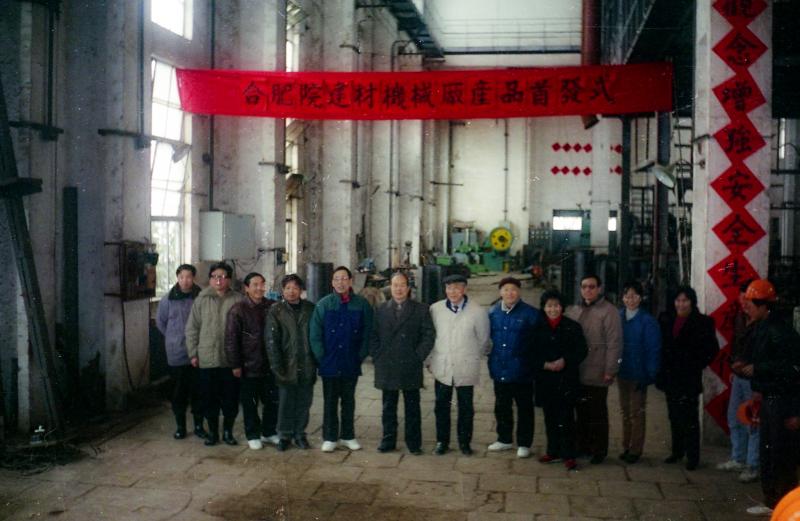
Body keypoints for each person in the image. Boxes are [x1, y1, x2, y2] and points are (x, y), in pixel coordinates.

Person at [737, 280, 800, 516]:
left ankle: (785, 507)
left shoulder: (780, 331)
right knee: (770, 453)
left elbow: (792, 369)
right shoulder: (763, 326)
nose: (746, 306)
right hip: (770, 399)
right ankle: (773, 502)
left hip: (782, 402)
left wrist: (758, 369)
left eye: (751, 303)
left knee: (781, 457)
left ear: (764, 306)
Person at [369, 271, 435, 455]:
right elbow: (372, 335)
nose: (398, 289)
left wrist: (418, 356)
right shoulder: (381, 309)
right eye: (395, 285)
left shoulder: (421, 309)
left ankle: (414, 443)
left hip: (410, 364)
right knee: (388, 406)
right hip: (387, 364)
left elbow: (428, 336)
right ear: (390, 287)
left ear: (408, 288)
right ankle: (388, 440)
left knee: (412, 406)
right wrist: (377, 356)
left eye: (402, 285)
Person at [310, 266, 373, 453]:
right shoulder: (323, 305)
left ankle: (348, 436)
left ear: (351, 281)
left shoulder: (362, 304)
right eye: (337, 279)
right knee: (330, 401)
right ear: (332, 282)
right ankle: (330, 438)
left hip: (350, 361)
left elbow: (368, 333)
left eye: (344, 278)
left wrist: (360, 355)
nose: (340, 282)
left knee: (348, 400)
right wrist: (322, 357)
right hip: (329, 362)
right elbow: (315, 334)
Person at [656, 285, 719, 470]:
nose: (681, 304)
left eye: (685, 300)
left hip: (689, 377)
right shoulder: (666, 319)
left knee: (690, 418)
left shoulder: (703, 322)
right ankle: (677, 451)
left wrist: (696, 364)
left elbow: (712, 349)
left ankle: (692, 457)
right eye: (678, 300)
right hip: (670, 377)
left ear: (692, 302)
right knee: (674, 416)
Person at [427, 274, 490, 456]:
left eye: (457, 287)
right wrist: (430, 360)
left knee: (466, 407)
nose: (452, 292)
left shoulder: (477, 311)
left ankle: (465, 443)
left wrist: (470, 356)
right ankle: (442, 442)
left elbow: (484, 340)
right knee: (441, 406)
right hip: (443, 365)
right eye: (449, 288)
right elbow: (431, 336)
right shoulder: (435, 309)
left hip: (466, 366)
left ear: (465, 289)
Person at [565, 274, 622, 464]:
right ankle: (583, 446)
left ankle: (599, 450)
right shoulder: (575, 310)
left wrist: (611, 369)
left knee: (597, 413)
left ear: (599, 288)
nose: (588, 290)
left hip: (598, 371)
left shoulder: (609, 311)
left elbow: (615, 343)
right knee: (582, 412)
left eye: (591, 286)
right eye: (584, 287)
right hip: (579, 371)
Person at [185, 262, 244, 446]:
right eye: (215, 277)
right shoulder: (201, 299)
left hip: (230, 360)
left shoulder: (238, 300)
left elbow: (244, 330)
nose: (219, 280)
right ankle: (213, 433)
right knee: (209, 399)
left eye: (223, 277)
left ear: (229, 280)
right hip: (207, 358)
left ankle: (227, 432)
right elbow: (192, 328)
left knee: (230, 399)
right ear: (210, 279)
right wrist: (193, 353)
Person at [533, 289, 587, 471]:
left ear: (562, 307)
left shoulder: (573, 326)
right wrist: (544, 364)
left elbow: (582, 350)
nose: (553, 309)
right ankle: (553, 451)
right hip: (545, 379)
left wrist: (565, 360)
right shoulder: (536, 327)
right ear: (543, 308)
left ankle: (569, 455)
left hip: (566, 379)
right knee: (549, 417)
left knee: (567, 417)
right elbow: (529, 352)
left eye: (556, 306)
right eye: (549, 306)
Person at [487, 276, 540, 458]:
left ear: (519, 292)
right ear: (500, 292)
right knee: (502, 406)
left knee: (524, 407)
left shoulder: (531, 314)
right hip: (499, 368)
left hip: (522, 370)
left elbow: (537, 342)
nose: (510, 293)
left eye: (514, 289)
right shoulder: (493, 312)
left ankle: (524, 443)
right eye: (506, 289)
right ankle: (504, 439)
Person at [224, 272, 277, 450]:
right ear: (246, 288)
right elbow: (231, 340)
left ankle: (269, 432)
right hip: (248, 365)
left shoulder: (272, 306)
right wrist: (235, 364)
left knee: (271, 400)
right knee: (250, 403)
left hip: (270, 364)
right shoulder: (238, 310)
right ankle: (253, 434)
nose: (259, 288)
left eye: (262, 284)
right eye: (255, 285)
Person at [266, 274, 317, 451]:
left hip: (307, 363)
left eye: (295, 288)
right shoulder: (276, 310)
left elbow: (316, 336)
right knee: (285, 403)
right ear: (282, 290)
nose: (291, 291)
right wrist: (276, 366)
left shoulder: (310, 309)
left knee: (304, 402)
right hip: (286, 364)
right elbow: (271, 341)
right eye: (287, 288)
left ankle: (300, 434)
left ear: (301, 290)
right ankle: (284, 435)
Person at [155, 264, 205, 440]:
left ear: (194, 278)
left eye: (189, 277)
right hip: (176, 352)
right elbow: (161, 323)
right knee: (178, 392)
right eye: (182, 277)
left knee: (198, 391)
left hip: (198, 351)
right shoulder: (167, 299)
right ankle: (181, 427)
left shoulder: (201, 297)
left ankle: (199, 426)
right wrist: (174, 337)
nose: (185, 281)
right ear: (177, 278)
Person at [717, 280, 760, 483]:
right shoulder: (740, 318)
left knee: (752, 422)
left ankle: (753, 465)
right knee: (735, 417)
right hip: (739, 377)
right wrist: (734, 366)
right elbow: (735, 345)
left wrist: (753, 366)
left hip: (754, 381)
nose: (744, 303)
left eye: (747, 299)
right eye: (741, 298)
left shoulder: (762, 323)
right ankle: (738, 457)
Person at [617, 281, 661, 464]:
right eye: (627, 296)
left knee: (637, 412)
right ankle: (626, 446)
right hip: (622, 372)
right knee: (625, 411)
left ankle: (635, 450)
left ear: (641, 298)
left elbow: (654, 349)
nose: (631, 300)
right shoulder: (618, 316)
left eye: (634, 296)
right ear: (622, 298)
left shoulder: (648, 321)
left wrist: (650, 374)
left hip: (639, 374)